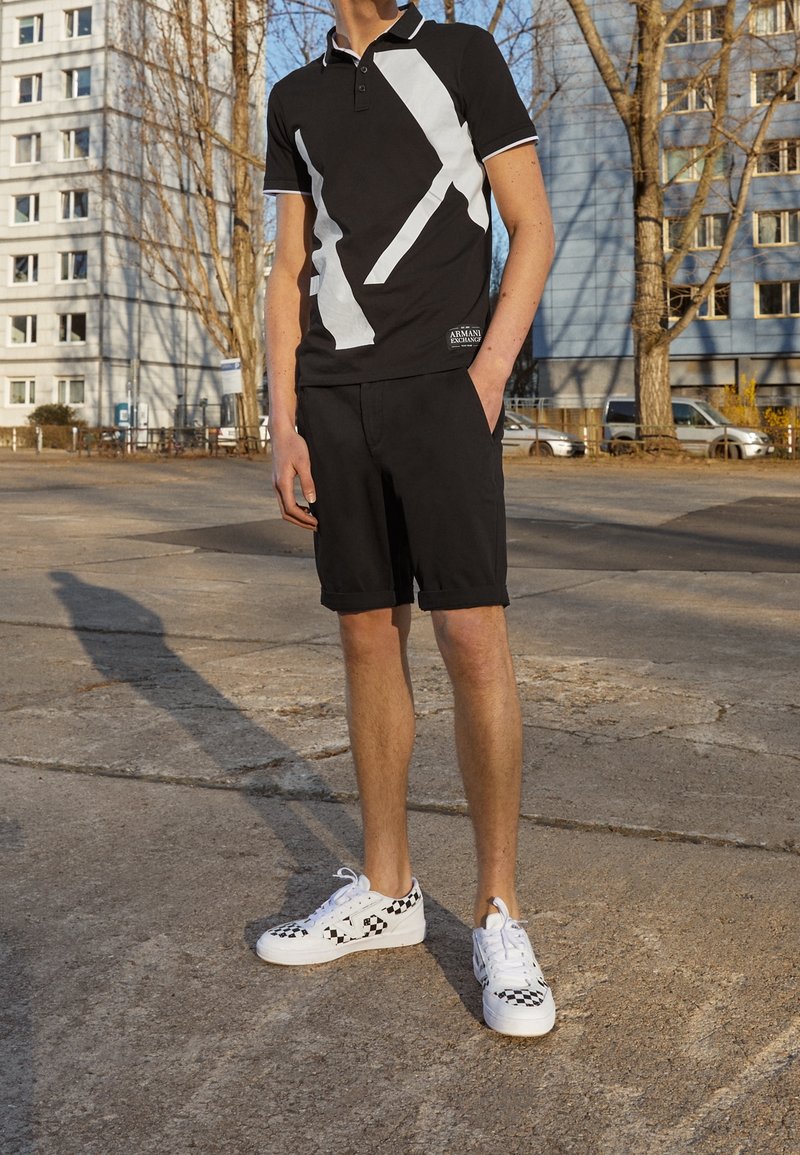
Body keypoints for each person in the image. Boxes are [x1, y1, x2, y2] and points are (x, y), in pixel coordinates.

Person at [257, 0, 556, 1038]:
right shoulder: (293, 96)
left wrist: (487, 375)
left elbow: (531, 225)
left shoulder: (464, 56)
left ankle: (499, 913)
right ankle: (386, 891)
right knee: (365, 637)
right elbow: (288, 267)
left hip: (445, 386)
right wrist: (283, 421)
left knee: (471, 636)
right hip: (334, 396)